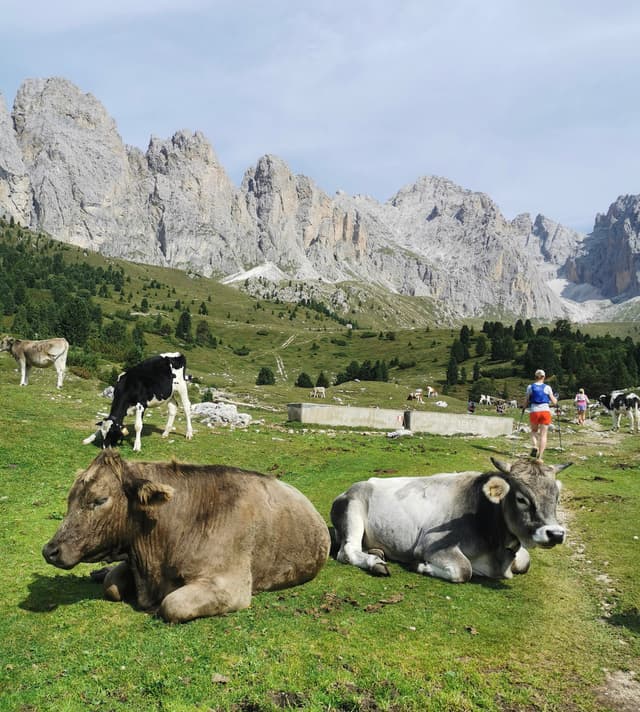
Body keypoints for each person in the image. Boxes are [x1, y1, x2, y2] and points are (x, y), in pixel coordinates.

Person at [524, 369, 558, 462]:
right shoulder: (547, 387)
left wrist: (524, 407)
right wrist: (556, 400)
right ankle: (540, 457)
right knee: (543, 435)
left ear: (535, 377)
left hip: (534, 410)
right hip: (545, 411)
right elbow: (554, 402)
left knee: (534, 431)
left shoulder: (530, 387)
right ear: (544, 377)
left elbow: (526, 400)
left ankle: (535, 446)